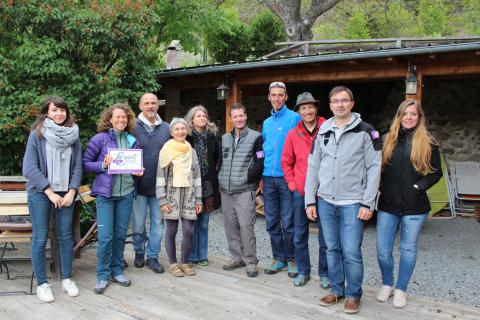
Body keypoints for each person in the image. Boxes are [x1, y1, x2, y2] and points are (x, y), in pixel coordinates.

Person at [304, 86, 381, 314]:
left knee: (351, 250)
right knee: (331, 249)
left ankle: (353, 294)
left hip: (353, 202)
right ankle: (337, 289)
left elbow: (374, 167)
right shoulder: (322, 131)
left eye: (344, 100)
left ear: (352, 103)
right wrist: (310, 200)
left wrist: (368, 203)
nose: (340, 104)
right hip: (326, 201)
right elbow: (313, 166)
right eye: (335, 101)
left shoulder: (366, 131)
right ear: (330, 105)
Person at [376, 99, 442, 308]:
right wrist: (378, 188)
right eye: (405, 113)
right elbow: (376, 169)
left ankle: (401, 289)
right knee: (382, 250)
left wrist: (418, 187)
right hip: (388, 204)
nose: (409, 117)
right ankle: (387, 284)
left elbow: (435, 173)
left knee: (408, 249)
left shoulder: (428, 142)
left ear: (419, 117)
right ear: (399, 116)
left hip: (415, 206)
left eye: (413, 114)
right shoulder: (387, 140)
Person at [22, 96, 82, 302]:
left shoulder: (74, 135)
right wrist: (49, 191)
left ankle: (66, 279)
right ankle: (42, 284)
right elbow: (29, 167)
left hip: (66, 193)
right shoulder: (37, 135)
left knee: (65, 236)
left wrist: (72, 191)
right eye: (54, 110)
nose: (59, 114)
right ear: (46, 112)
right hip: (41, 193)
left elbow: (78, 166)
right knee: (40, 237)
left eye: (62, 110)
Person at [83, 103, 143, 294]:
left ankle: (117, 271)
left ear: (128, 120)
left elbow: (135, 166)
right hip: (105, 196)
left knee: (119, 236)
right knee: (106, 237)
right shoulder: (100, 139)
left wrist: (138, 171)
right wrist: (102, 165)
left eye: (124, 117)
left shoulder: (133, 139)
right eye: (117, 117)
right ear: (110, 119)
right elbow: (86, 163)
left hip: (125, 195)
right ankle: (102, 275)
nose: (121, 120)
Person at [281, 92, 328, 287]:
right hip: (300, 193)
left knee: (326, 237)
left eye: (310, 107)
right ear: (299, 111)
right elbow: (286, 162)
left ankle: (325, 273)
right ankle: (303, 271)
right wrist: (293, 186)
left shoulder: (328, 129)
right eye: (303, 107)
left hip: (325, 192)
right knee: (299, 235)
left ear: (316, 108)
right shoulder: (293, 134)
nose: (307, 111)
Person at [218, 103, 264, 277]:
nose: (238, 119)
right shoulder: (224, 138)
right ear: (230, 119)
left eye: (241, 115)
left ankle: (251, 261)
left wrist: (248, 178)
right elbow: (221, 161)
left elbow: (260, 160)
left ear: (245, 116)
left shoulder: (256, 137)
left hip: (245, 189)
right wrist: (220, 177)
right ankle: (237, 258)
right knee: (231, 226)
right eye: (235, 116)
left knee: (246, 227)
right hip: (226, 190)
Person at [262, 81, 301, 277]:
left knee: (289, 221)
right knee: (272, 221)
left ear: (286, 97)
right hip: (268, 178)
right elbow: (265, 149)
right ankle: (278, 258)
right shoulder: (266, 123)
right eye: (273, 95)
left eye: (280, 95)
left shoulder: (295, 118)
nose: (277, 98)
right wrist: (262, 174)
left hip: (287, 179)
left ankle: (292, 259)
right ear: (269, 97)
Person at [156, 118, 203, 277]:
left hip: (189, 197)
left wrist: (199, 199)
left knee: (189, 230)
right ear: (171, 132)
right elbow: (160, 176)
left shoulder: (192, 151)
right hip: (171, 196)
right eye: (177, 129)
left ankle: (185, 262)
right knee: (171, 230)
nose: (181, 131)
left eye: (183, 128)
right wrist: (162, 200)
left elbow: (197, 177)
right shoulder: (166, 151)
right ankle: (173, 263)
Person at [132, 93, 170, 273]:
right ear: (140, 106)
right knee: (138, 224)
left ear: (158, 105)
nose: (150, 106)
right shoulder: (132, 127)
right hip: (138, 186)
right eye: (146, 103)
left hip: (160, 188)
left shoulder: (167, 128)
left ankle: (152, 256)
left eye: (153, 103)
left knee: (158, 225)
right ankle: (139, 251)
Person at [184, 105, 221, 266]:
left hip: (208, 184)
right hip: (190, 184)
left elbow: (217, 158)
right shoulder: (186, 137)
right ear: (192, 119)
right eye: (198, 116)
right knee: (192, 221)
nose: (202, 118)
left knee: (204, 222)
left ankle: (203, 255)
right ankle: (192, 256)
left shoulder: (212, 137)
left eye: (204, 116)